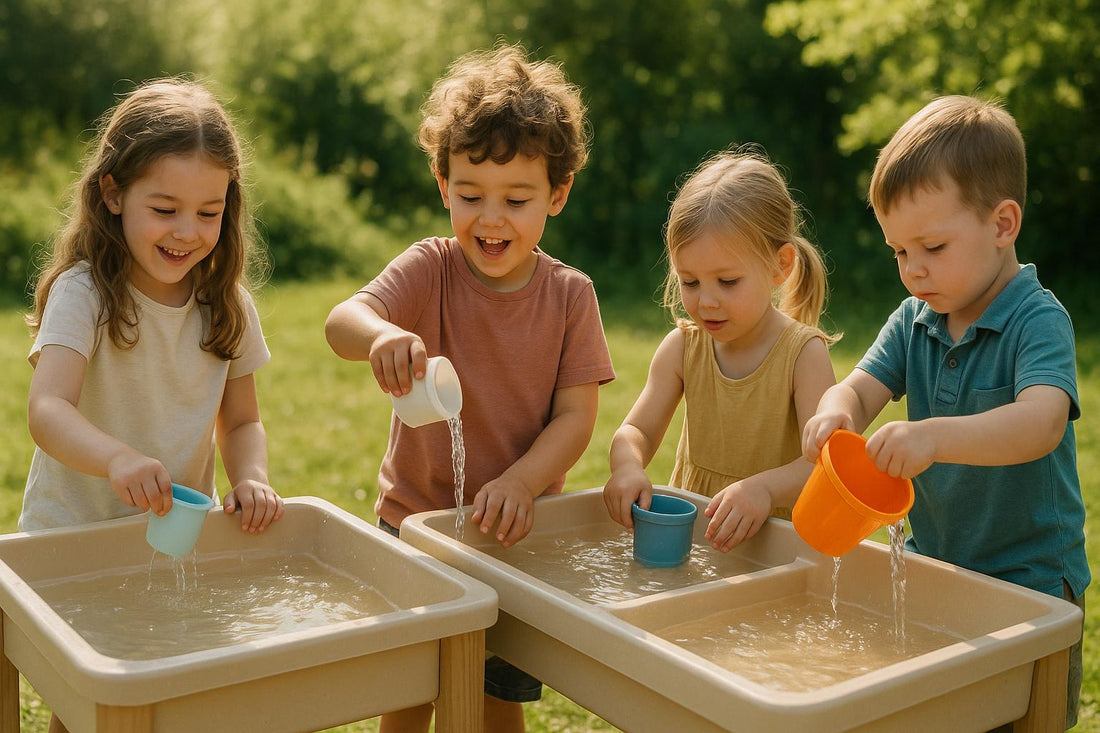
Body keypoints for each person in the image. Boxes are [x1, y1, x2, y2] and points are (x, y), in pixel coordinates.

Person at [325, 45, 615, 733]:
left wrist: (522, 481)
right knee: (412, 687)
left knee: (497, 701)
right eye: (470, 195)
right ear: (441, 183)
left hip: (515, 534)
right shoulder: (431, 268)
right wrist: (379, 336)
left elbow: (577, 417)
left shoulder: (571, 296)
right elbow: (342, 320)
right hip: (414, 524)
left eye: (516, 200)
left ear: (557, 193)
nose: (491, 219)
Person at [802, 95, 1088, 729]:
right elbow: (858, 387)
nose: (912, 270)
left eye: (930, 246)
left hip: (1032, 579)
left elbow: (1040, 422)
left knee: (1023, 719)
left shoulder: (1036, 320)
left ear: (1003, 223)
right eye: (899, 252)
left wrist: (932, 437)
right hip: (940, 567)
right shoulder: (915, 321)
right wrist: (834, 411)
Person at [604, 149, 837, 552]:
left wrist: (763, 489)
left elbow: (823, 464)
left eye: (727, 281)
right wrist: (626, 466)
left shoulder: (803, 355)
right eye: (690, 282)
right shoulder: (683, 348)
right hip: (698, 540)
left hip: (778, 550)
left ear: (780, 265)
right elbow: (636, 430)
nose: (706, 301)